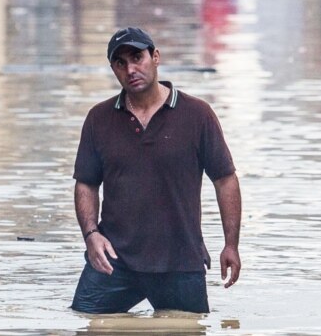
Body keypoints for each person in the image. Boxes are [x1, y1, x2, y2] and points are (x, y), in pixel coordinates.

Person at [71, 26, 242, 314]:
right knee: (85, 323)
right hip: (114, 260)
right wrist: (91, 235)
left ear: (156, 57)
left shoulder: (197, 114)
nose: (131, 69)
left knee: (189, 330)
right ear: (113, 69)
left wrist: (231, 245)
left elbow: (225, 180)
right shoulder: (98, 119)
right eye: (120, 63)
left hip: (180, 261)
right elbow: (86, 184)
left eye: (137, 57)